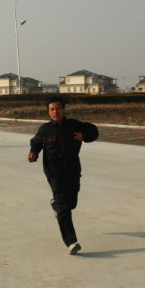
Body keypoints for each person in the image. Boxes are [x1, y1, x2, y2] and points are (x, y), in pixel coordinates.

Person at [28, 97, 98, 255]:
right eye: (52, 109)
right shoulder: (45, 129)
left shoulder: (74, 125)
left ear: (63, 109)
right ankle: (71, 242)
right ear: (48, 112)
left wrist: (83, 136)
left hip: (73, 171)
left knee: (71, 203)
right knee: (64, 208)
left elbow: (94, 130)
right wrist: (33, 153)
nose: (55, 112)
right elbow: (36, 143)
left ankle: (55, 205)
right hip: (54, 174)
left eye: (58, 108)